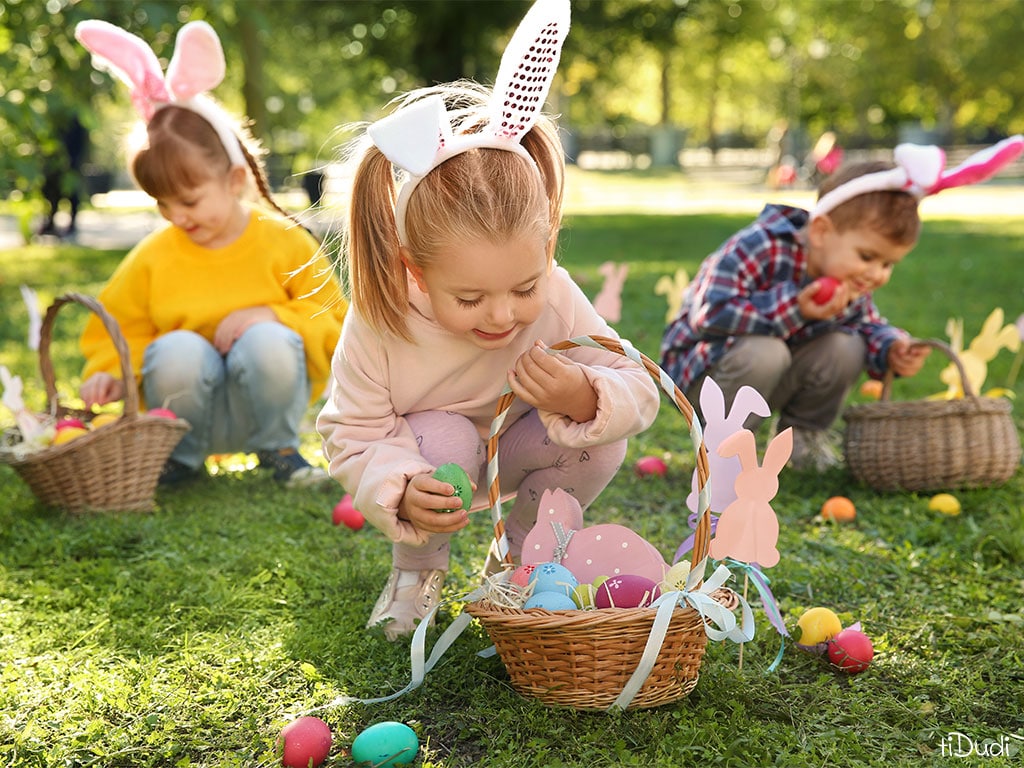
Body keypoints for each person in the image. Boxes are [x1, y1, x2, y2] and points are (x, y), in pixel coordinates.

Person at [316, 0, 659, 640]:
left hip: (520, 448)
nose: (503, 315)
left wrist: (584, 392)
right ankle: (418, 574)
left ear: (548, 245)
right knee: (444, 437)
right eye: (469, 300)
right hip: (432, 461)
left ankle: (522, 563)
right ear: (413, 269)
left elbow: (637, 384)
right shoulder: (383, 317)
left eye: (522, 286)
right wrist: (399, 484)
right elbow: (351, 429)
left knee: (601, 434)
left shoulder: (554, 294)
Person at [74, 20, 347, 487]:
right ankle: (179, 460)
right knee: (176, 347)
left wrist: (270, 316)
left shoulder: (282, 240)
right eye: (162, 203)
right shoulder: (155, 255)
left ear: (234, 180)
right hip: (183, 413)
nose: (176, 217)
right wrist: (109, 374)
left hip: (263, 407)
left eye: (190, 200)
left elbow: (335, 322)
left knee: (268, 340)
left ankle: (280, 451)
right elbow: (120, 327)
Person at [660, 157, 934, 472]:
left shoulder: (848, 277)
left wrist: (890, 349)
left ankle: (801, 441)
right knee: (767, 350)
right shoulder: (760, 246)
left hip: (771, 377)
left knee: (847, 345)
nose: (875, 274)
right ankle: (726, 453)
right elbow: (710, 313)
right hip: (702, 377)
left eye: (887, 264)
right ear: (820, 232)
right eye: (868, 256)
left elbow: (866, 326)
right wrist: (796, 308)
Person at [38, 113, 88, 238]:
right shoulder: (54, 117)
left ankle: (72, 223)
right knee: (51, 192)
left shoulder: (76, 119)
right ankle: (50, 222)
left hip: (72, 162)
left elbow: (80, 142)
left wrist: (73, 160)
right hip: (55, 163)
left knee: (71, 193)